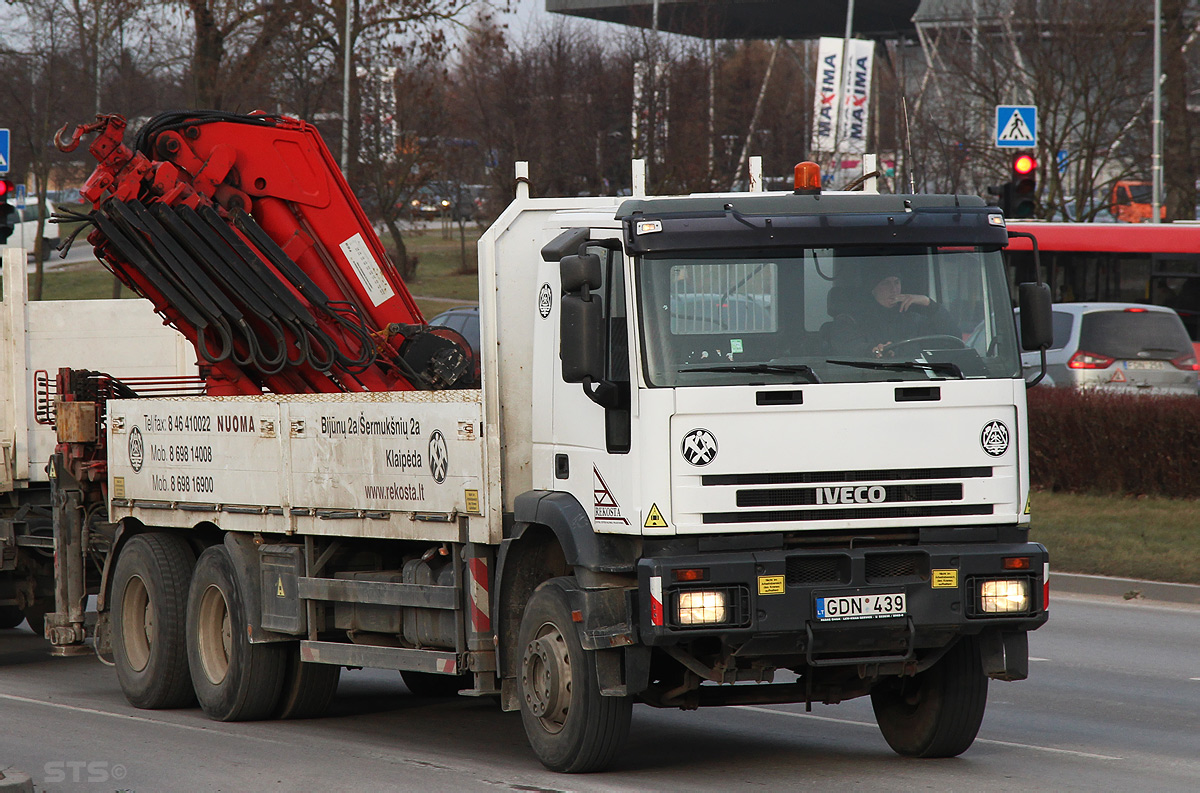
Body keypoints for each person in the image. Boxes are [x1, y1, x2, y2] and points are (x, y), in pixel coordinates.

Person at [826, 269, 959, 357]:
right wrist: (873, 351)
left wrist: (929, 304)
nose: (894, 289)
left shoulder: (914, 320)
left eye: (897, 282)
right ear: (873, 289)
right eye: (886, 283)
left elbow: (953, 340)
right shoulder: (849, 321)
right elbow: (850, 349)